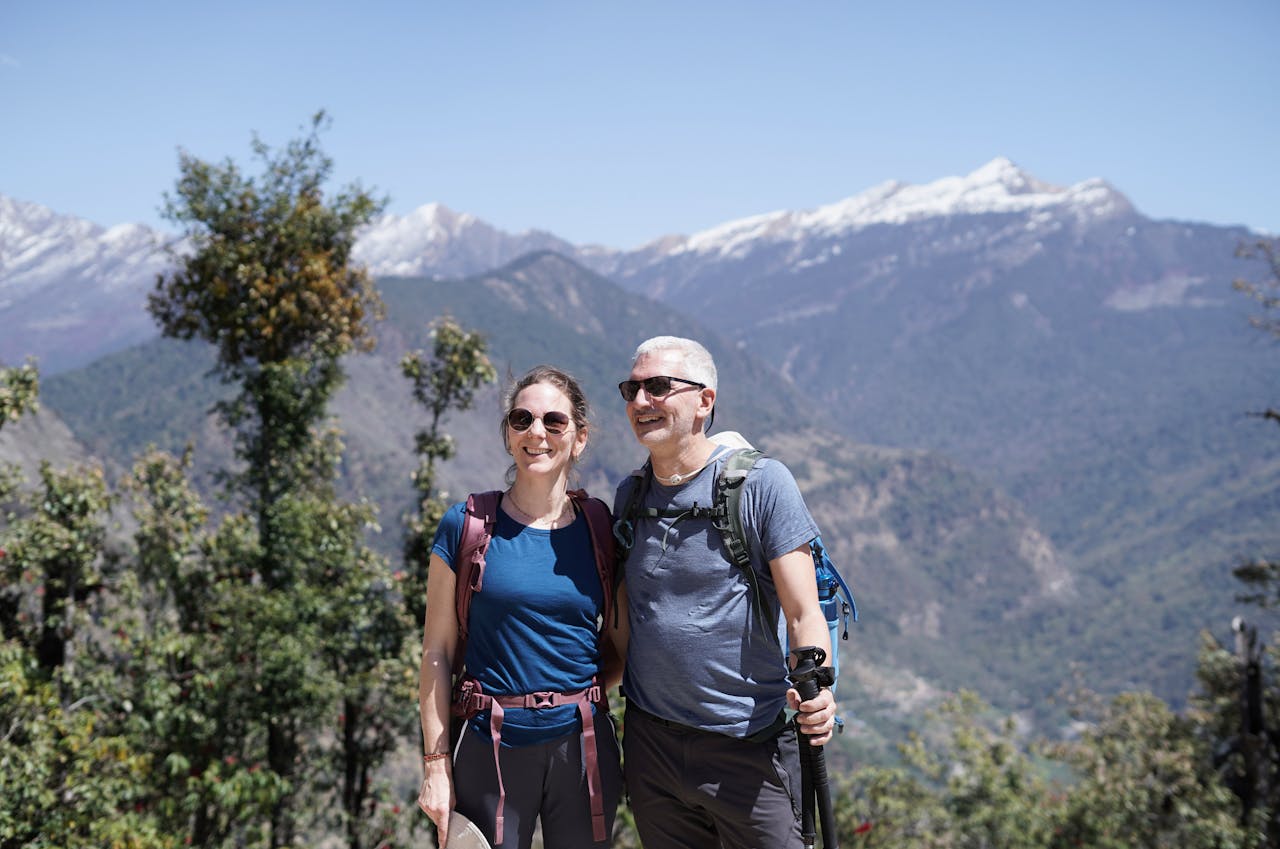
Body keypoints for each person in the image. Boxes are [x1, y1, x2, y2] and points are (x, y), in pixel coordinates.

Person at [613, 336, 838, 849]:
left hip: (748, 748)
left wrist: (820, 689)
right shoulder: (631, 497)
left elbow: (803, 610)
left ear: (705, 401)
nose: (640, 401)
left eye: (658, 387)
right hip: (651, 748)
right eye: (632, 389)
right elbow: (625, 620)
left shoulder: (762, 485)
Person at [417, 365, 624, 849]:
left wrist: (577, 695)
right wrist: (435, 766)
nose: (537, 433)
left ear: (580, 438)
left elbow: (620, 642)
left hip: (583, 749)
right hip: (488, 747)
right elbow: (437, 654)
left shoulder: (599, 527)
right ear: (508, 435)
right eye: (522, 419)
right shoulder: (465, 525)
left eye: (555, 422)